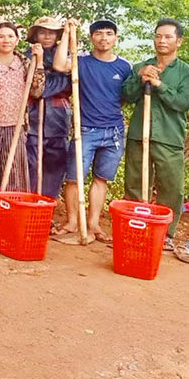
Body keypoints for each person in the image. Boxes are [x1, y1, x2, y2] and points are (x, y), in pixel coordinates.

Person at [50, 19, 132, 243]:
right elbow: (59, 65)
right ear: (91, 38)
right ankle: (72, 222)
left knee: (101, 179)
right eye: (99, 33)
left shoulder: (124, 67)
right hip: (85, 130)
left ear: (115, 38)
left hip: (114, 132)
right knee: (74, 178)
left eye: (109, 33)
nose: (104, 38)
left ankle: (94, 223)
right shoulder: (81, 61)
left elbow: (126, 96)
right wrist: (67, 32)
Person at [121, 18, 189, 253]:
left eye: (168, 37)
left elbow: (182, 103)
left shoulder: (185, 72)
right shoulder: (141, 66)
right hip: (139, 135)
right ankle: (135, 229)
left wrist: (159, 85)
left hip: (169, 137)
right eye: (158, 36)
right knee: (135, 184)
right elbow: (127, 95)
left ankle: (165, 235)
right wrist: (140, 79)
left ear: (179, 41)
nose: (162, 41)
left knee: (171, 187)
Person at [0, 22, 34, 239]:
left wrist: (38, 63)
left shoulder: (26, 62)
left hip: (15, 125)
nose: (6, 40)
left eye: (10, 36)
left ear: (17, 40)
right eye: (1, 36)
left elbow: (37, 90)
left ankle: (8, 219)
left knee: (14, 174)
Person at [24, 16, 71, 202]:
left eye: (51, 33)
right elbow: (37, 90)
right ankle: (29, 204)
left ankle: (47, 206)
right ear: (35, 35)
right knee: (31, 165)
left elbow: (57, 86)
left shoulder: (67, 58)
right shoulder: (26, 57)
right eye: (42, 32)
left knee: (55, 166)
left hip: (58, 120)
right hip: (33, 119)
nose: (47, 37)